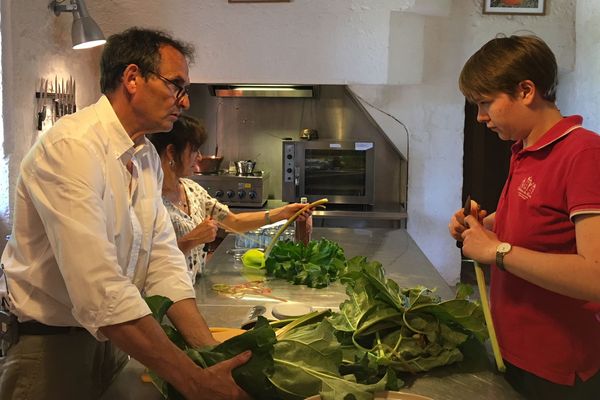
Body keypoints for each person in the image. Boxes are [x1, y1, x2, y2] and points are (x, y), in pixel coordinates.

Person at [0, 28, 251, 400]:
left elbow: (162, 260)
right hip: (52, 349)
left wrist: (210, 353)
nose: (183, 101)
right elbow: (99, 288)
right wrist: (194, 381)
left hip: (116, 338)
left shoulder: (145, 155)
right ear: (132, 78)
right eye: (176, 85)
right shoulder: (73, 147)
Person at [448, 35, 600, 399]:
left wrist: (497, 251)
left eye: (486, 103)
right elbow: (539, 220)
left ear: (527, 90)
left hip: (559, 368)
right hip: (513, 351)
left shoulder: (583, 152)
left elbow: (596, 276)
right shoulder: (524, 149)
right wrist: (483, 225)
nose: (481, 117)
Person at [148, 114, 313, 282]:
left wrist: (283, 213)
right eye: (194, 150)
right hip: (164, 300)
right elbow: (147, 263)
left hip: (193, 289)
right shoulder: (149, 199)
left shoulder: (192, 189)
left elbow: (233, 222)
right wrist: (191, 240)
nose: (198, 157)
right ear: (171, 152)